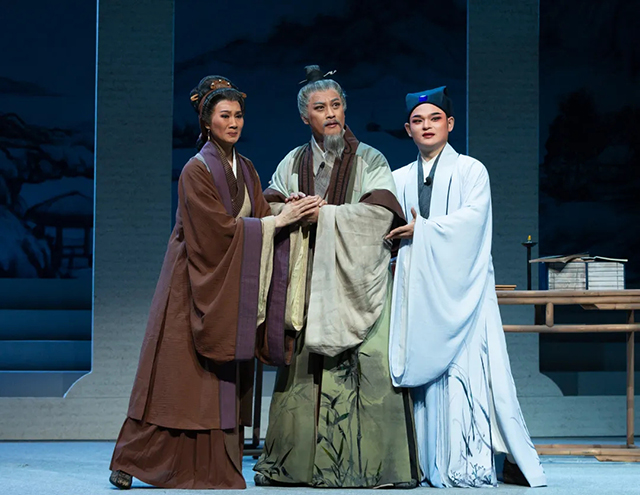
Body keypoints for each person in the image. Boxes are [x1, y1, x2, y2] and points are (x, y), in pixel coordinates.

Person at [108, 75, 321, 490]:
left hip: (228, 283)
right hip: (192, 281)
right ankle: (132, 459)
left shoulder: (246, 167)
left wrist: (284, 208)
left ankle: (212, 464)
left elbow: (258, 213)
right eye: (225, 115)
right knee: (175, 377)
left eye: (239, 115)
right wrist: (277, 221)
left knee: (217, 381)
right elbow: (215, 231)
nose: (234, 122)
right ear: (207, 121)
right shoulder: (196, 170)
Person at [253, 65, 419, 489]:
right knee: (302, 372)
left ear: (345, 109)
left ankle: (373, 468)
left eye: (336, 105)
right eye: (319, 107)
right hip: (307, 283)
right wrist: (291, 210)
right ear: (304, 116)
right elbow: (269, 208)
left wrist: (324, 216)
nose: (330, 113)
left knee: (371, 366)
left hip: (358, 282)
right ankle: (296, 466)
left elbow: (379, 215)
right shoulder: (293, 162)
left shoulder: (371, 159)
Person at [386, 86, 547, 488]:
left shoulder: (472, 171)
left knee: (470, 375)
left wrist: (423, 231)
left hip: (466, 292)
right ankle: (422, 462)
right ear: (407, 129)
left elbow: (473, 223)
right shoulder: (398, 178)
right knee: (423, 378)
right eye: (418, 121)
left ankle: (468, 461)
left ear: (450, 124)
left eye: (435, 118)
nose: (427, 126)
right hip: (417, 295)